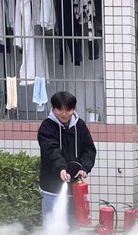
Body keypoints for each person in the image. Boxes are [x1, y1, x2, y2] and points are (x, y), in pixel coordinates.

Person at [37, 91, 96, 227]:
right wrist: (61, 168)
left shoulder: (80, 125)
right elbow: (51, 151)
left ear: (73, 109)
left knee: (73, 226)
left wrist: (84, 167)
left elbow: (89, 149)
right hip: (51, 188)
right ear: (53, 108)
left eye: (68, 110)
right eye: (60, 109)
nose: (64, 114)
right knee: (53, 226)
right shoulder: (47, 126)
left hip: (75, 188)